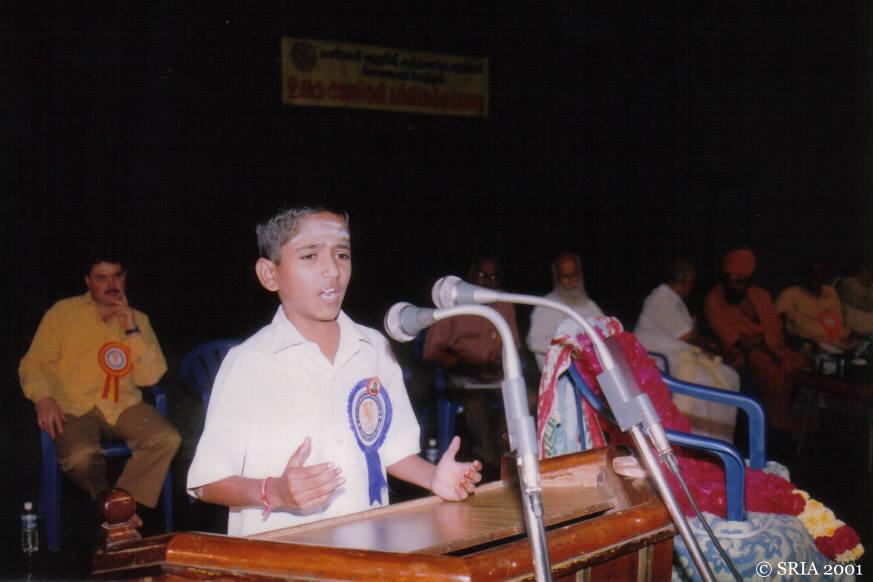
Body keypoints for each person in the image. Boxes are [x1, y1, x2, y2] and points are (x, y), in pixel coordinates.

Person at [187, 207, 481, 536]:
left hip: (368, 546)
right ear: (270, 274)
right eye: (310, 256)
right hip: (282, 554)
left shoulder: (374, 348)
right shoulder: (250, 362)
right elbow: (206, 482)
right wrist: (275, 492)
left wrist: (433, 478)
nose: (332, 270)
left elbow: (390, 449)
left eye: (342, 254)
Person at [19, 255, 181, 514]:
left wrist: (131, 330)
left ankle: (120, 512)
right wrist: (43, 398)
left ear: (125, 278)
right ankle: (110, 507)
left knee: (167, 438)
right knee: (80, 457)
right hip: (73, 407)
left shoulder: (139, 319)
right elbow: (34, 363)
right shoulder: (62, 313)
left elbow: (150, 377)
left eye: (117, 276)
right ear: (88, 281)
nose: (111, 284)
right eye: (101, 278)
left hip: (124, 405)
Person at [422, 255, 521, 471]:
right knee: (477, 405)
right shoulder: (452, 302)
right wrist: (462, 364)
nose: (487, 282)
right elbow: (431, 351)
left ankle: (509, 453)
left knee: (525, 398)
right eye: (482, 275)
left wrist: (499, 362)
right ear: (471, 274)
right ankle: (491, 461)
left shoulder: (503, 303)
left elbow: (514, 346)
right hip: (460, 374)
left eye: (493, 277)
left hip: (494, 375)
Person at [704, 249, 807, 436]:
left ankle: (801, 425)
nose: (733, 285)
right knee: (772, 373)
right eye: (729, 279)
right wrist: (765, 344)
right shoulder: (714, 299)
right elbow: (733, 338)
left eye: (739, 281)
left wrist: (775, 348)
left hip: (774, 347)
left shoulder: (760, 295)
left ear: (748, 280)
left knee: (801, 366)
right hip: (742, 353)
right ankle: (779, 430)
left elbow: (774, 327)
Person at [635, 259, 741, 442]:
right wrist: (712, 346)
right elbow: (687, 335)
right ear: (684, 280)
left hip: (676, 354)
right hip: (661, 360)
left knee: (729, 376)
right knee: (717, 380)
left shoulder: (672, 297)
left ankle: (718, 439)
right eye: (692, 279)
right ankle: (702, 438)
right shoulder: (662, 297)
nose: (693, 284)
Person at [526, 252, 604, 370]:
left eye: (574, 274)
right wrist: (572, 348)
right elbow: (535, 342)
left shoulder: (591, 306)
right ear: (557, 278)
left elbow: (606, 335)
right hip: (561, 375)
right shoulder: (546, 305)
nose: (571, 281)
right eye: (565, 276)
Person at [776, 257, 855, 352]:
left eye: (819, 273)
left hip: (839, 339)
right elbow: (778, 325)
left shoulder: (830, 291)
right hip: (809, 343)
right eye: (811, 272)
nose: (815, 277)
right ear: (803, 274)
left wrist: (846, 335)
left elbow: (839, 320)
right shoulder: (790, 294)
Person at [838, 259, 873, 339]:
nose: (870, 275)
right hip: (859, 329)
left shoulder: (865, 286)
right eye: (869, 272)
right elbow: (868, 301)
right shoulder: (848, 284)